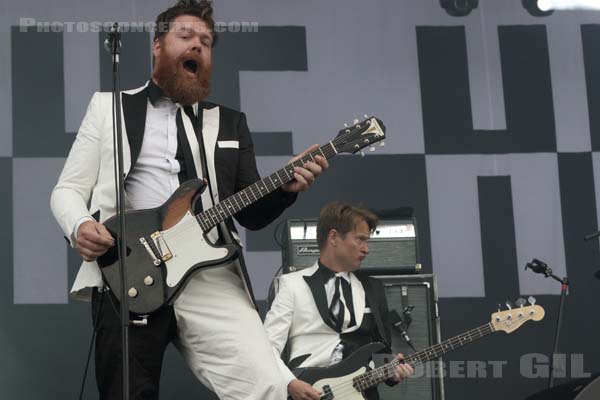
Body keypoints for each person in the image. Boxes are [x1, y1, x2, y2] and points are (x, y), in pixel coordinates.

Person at [50, 1, 328, 399]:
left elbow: (249, 215)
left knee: (267, 385)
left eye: (206, 41)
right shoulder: (109, 107)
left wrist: (285, 189)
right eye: (186, 36)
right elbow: (66, 190)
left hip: (210, 272)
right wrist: (79, 225)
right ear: (158, 45)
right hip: (128, 269)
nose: (198, 45)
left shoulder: (230, 122)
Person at [264, 202, 414, 400]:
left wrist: (393, 373)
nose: (366, 249)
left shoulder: (373, 289)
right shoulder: (291, 284)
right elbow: (266, 348)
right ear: (333, 237)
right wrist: (289, 383)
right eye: (360, 239)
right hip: (309, 391)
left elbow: (381, 353)